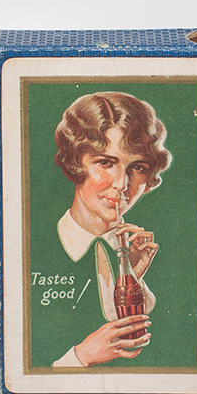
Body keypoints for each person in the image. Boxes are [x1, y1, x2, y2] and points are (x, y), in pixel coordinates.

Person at [36, 91, 171, 368]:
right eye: (106, 163)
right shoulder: (37, 246)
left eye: (138, 167)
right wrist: (81, 357)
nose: (122, 184)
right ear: (76, 162)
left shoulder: (132, 255)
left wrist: (131, 275)